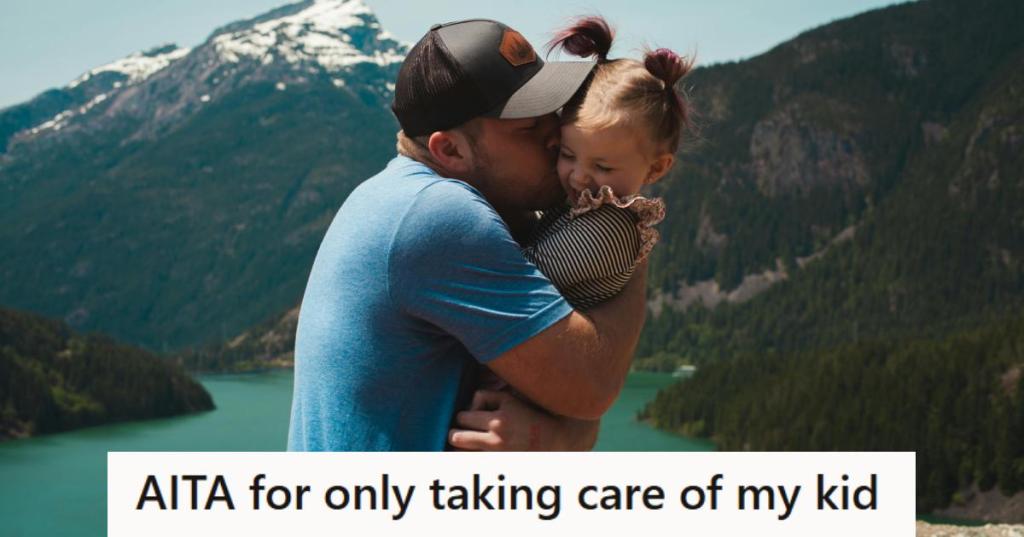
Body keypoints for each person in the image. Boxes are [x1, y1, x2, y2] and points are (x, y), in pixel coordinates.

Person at [287, 18, 648, 451]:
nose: (555, 135)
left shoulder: (398, 193)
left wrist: (560, 435)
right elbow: (590, 386)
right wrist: (628, 221)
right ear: (450, 149)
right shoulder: (438, 216)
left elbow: (574, 406)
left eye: (552, 111)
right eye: (526, 127)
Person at [445, 16, 696, 450]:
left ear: (656, 169)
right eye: (566, 154)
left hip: (517, 401)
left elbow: (517, 275)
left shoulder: (608, 228)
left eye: (602, 167)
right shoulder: (586, 206)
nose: (578, 176)